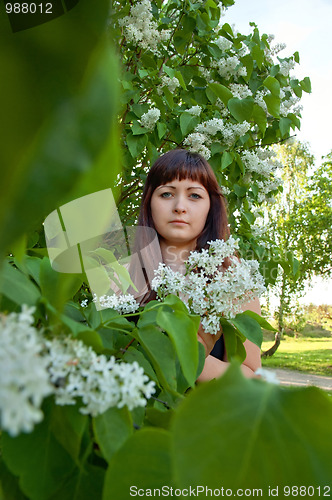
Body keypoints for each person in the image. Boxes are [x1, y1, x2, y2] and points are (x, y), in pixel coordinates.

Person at [137, 148, 262, 381]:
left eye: (194, 195)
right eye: (166, 194)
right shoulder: (123, 271)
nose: (180, 206)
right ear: (149, 202)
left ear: (210, 207)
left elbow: (253, 375)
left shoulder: (232, 277)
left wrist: (183, 356)